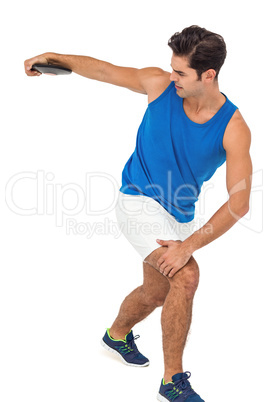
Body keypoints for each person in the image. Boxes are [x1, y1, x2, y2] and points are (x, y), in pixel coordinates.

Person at [24, 25, 252, 401]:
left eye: (181, 73)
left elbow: (239, 202)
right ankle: (172, 380)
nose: (172, 77)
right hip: (137, 201)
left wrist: (187, 243)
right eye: (172, 68)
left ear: (208, 75)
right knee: (186, 276)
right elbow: (103, 70)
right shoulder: (160, 86)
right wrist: (55, 58)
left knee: (155, 292)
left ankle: (115, 335)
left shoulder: (233, 127)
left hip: (178, 216)